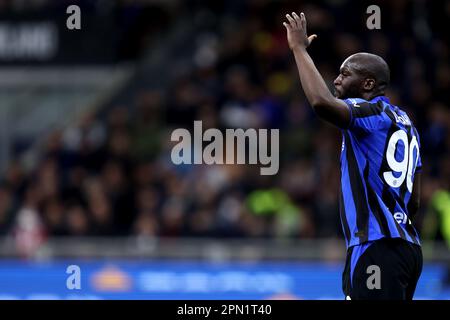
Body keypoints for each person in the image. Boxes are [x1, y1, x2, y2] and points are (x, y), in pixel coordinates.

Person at [283, 12, 423, 299]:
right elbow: (415, 200)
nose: (336, 81)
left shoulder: (371, 112)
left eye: (345, 74)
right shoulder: (407, 125)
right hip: (407, 248)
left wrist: (298, 49)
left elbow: (321, 103)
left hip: (376, 247)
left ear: (368, 84)